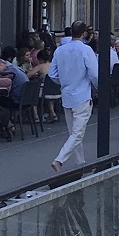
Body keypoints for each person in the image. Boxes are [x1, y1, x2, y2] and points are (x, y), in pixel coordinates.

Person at [49, 21, 98, 172]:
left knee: (74, 133)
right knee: (77, 133)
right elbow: (94, 74)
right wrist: (96, 87)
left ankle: (81, 163)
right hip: (82, 95)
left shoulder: (60, 50)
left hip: (67, 95)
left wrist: (63, 82)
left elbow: (52, 74)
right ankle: (59, 160)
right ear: (84, 33)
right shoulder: (86, 50)